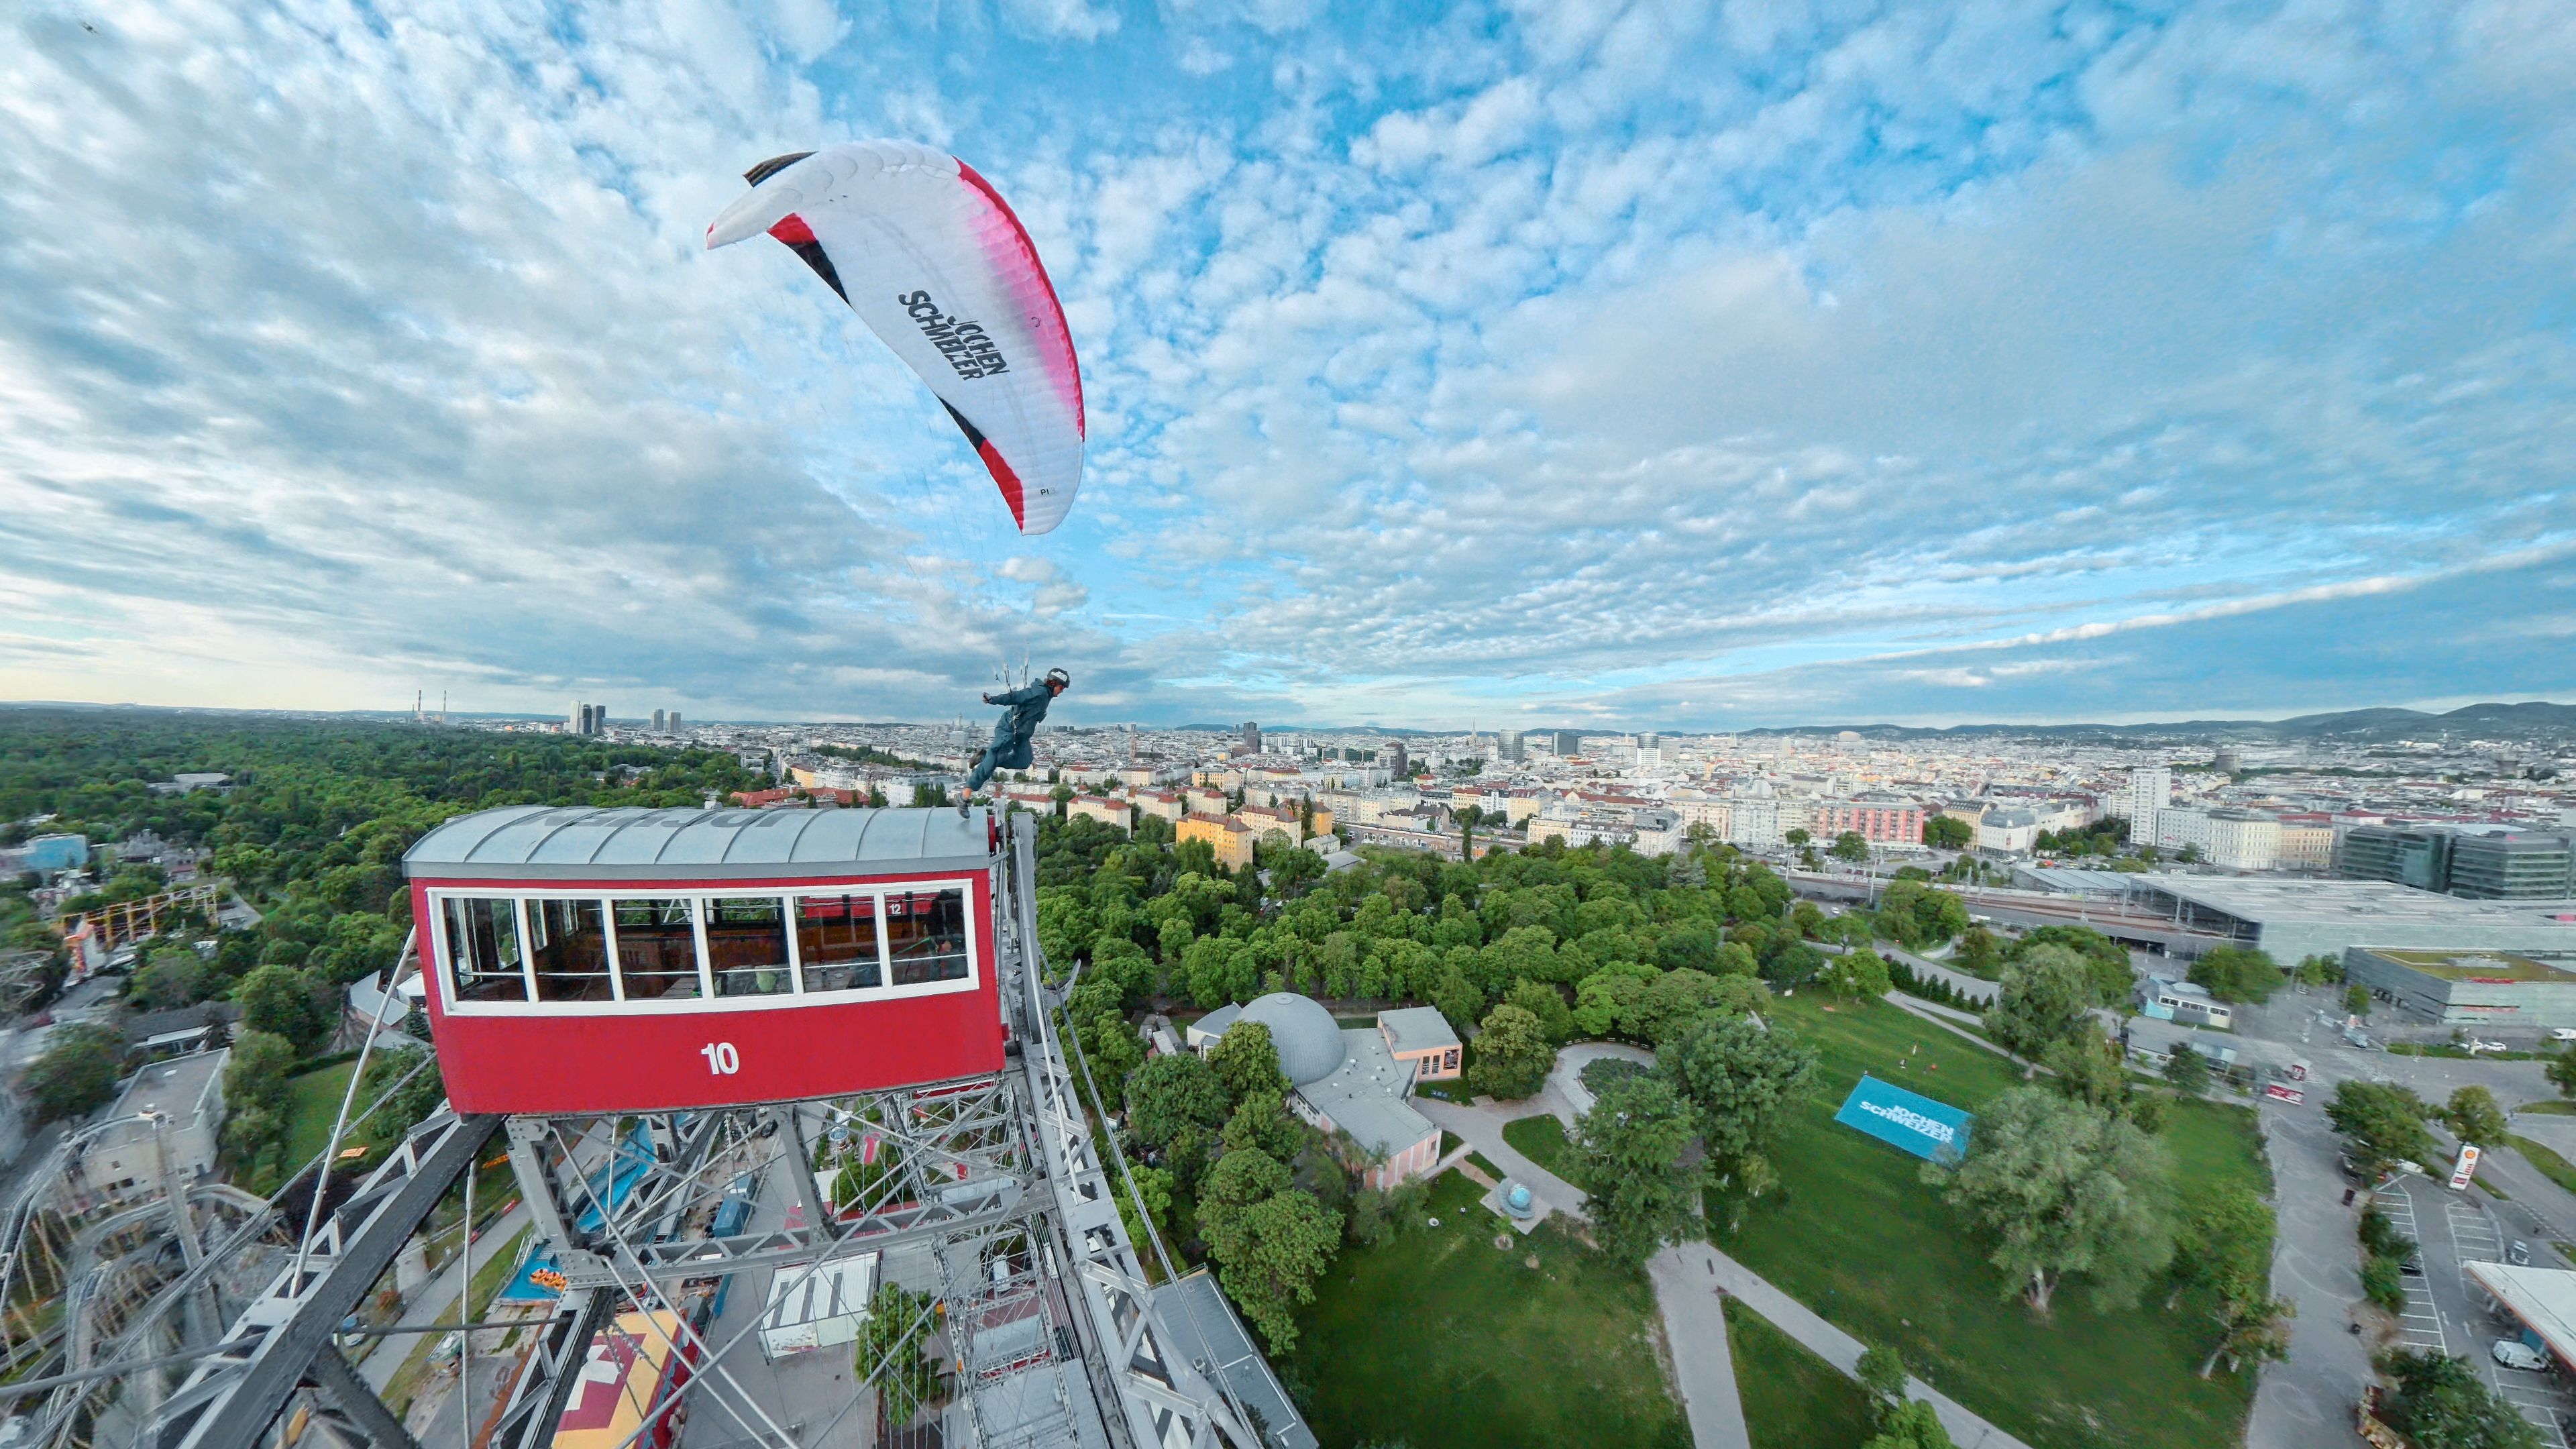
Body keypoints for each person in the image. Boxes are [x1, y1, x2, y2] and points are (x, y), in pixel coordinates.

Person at [959, 669, 1069, 812]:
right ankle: (964, 797)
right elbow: (1016, 697)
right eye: (1062, 687)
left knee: (1024, 761)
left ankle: (986, 757)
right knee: (991, 763)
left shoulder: (1045, 695)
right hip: (1008, 730)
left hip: (1021, 735)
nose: (1062, 691)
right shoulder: (1040, 693)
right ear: (1053, 683)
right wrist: (993, 700)